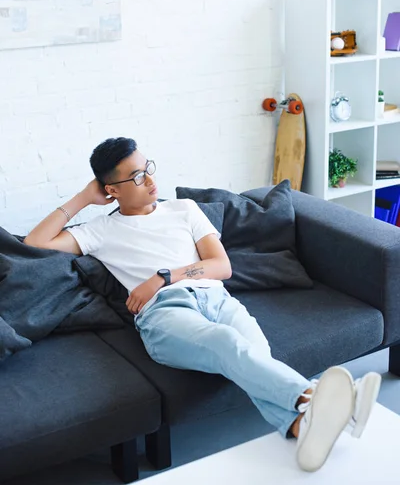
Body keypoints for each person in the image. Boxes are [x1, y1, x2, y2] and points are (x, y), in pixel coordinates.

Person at [24, 137, 381, 472]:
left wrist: (163, 276)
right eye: (135, 176)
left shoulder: (184, 209)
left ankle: (304, 428)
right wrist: (83, 198)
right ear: (111, 190)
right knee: (230, 345)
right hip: (164, 315)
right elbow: (34, 244)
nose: (149, 180)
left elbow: (221, 266)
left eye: (148, 167)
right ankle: (318, 398)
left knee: (256, 353)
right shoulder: (99, 230)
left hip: (217, 298)